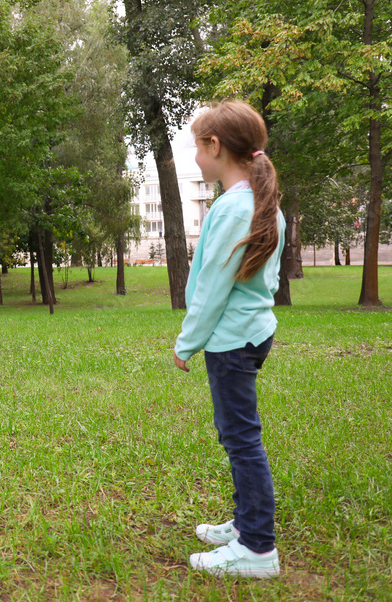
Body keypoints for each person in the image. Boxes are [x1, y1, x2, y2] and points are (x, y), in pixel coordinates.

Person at [173, 100, 286, 578]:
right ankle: (245, 525)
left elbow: (212, 287)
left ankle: (258, 549)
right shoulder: (264, 205)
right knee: (238, 435)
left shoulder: (231, 208)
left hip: (229, 343)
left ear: (215, 147)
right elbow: (268, 282)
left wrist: (186, 342)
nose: (195, 158)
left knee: (241, 441)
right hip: (252, 336)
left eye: (196, 147)